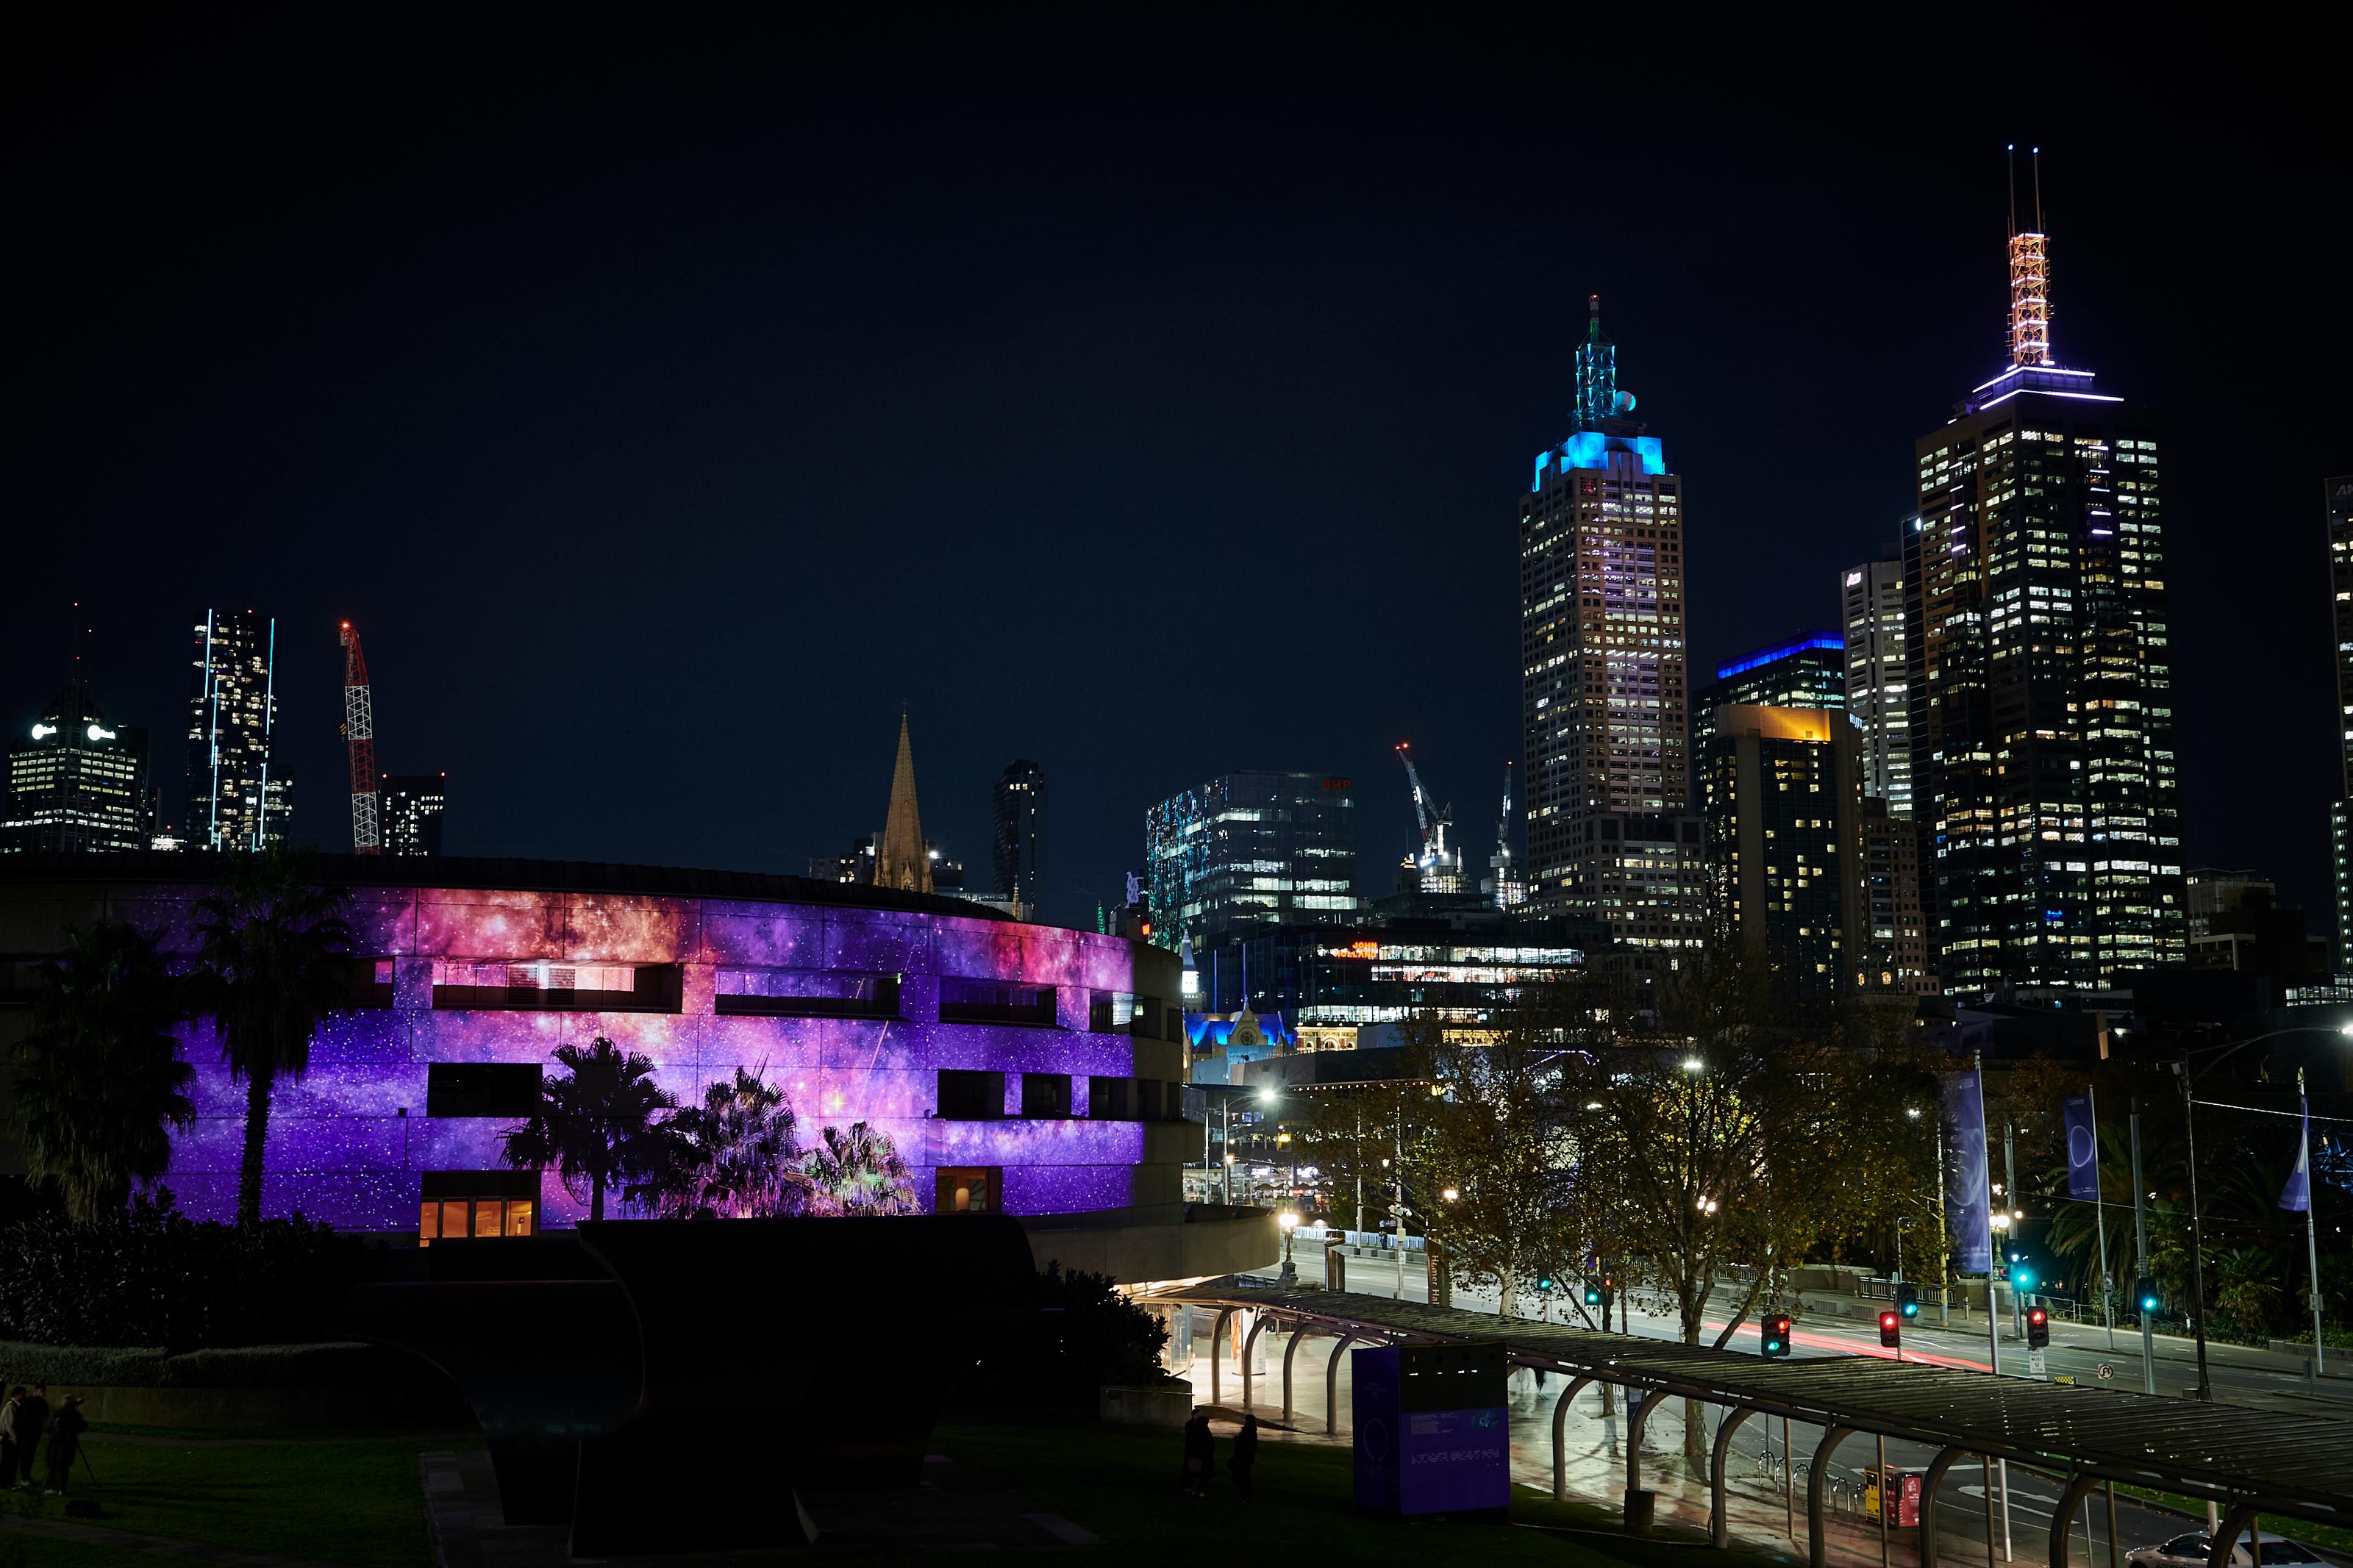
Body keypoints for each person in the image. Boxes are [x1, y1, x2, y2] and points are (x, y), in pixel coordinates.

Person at [44, 1395, 85, 1497]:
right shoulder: (75, 1414)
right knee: (64, 1467)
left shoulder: (57, 1414)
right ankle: (62, 1489)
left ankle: (53, 1487)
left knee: (53, 1465)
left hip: (56, 1443)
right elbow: (82, 1427)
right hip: (68, 1443)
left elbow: (48, 1427)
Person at [14, 1386, 48, 1490]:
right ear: (37, 1390)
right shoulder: (30, 1402)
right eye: (42, 1391)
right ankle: (25, 1477)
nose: (43, 1393)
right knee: (26, 1456)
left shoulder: (33, 1402)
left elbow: (44, 1416)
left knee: (29, 1456)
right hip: (28, 1433)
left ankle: (26, 1476)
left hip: (32, 1433)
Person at [1179, 1410, 1215, 1497]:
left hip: (1196, 1454)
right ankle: (1197, 1488)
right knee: (1196, 1471)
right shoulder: (1198, 1428)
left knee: (1195, 1471)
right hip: (1198, 1454)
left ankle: (1194, 1488)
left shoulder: (1199, 1428)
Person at [1229, 1413, 1258, 1500]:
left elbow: (1244, 1444)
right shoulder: (1251, 1431)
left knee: (1242, 1476)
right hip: (1246, 1457)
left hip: (1243, 1457)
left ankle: (1245, 1494)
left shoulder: (1248, 1431)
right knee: (1244, 1476)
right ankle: (1246, 1494)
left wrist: (1236, 1440)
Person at [0, 1387, 22, 1487]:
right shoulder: (11, 1407)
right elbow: (9, 1425)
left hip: (8, 1438)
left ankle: (6, 1483)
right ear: (17, 1395)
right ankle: (8, 1483)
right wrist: (14, 1438)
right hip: (9, 1439)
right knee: (10, 1462)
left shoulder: (12, 1406)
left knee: (7, 1461)